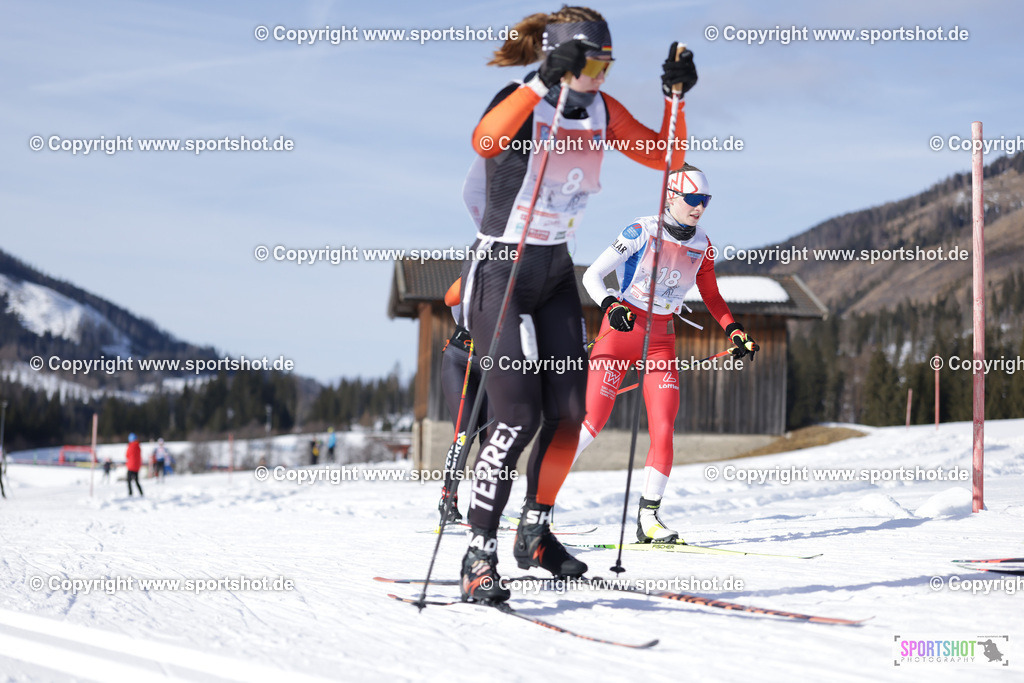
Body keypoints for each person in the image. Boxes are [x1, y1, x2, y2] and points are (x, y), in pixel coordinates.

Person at [458, 5, 698, 603]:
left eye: (608, 63)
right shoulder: (523, 97)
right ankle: (477, 554)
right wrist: (541, 80)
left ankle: (534, 532)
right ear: (561, 56)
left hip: (556, 270)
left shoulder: (600, 109)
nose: (601, 74)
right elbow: (483, 140)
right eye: (591, 61)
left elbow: (668, 158)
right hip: (502, 269)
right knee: (517, 416)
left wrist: (675, 97)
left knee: (568, 413)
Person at [572, 163, 758, 542]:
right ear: (672, 196)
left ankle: (648, 521)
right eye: (692, 199)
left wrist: (735, 331)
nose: (700, 207)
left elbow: (712, 294)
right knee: (591, 424)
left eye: (705, 200)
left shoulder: (702, 244)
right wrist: (611, 304)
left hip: (661, 339)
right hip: (621, 331)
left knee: (664, 426)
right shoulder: (642, 230)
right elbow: (592, 275)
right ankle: (537, 502)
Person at [437, 278, 489, 526]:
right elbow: (450, 298)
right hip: (461, 359)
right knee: (464, 433)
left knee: (492, 439)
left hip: (494, 365)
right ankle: (448, 500)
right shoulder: (481, 268)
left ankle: (481, 505)